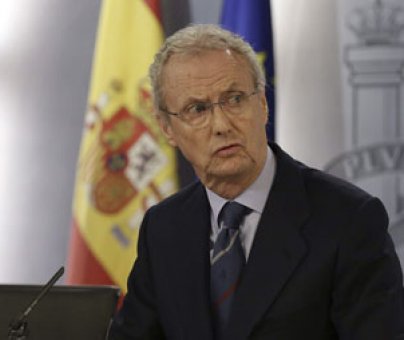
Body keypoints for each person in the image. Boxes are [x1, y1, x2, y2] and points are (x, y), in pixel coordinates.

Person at [108, 24, 404, 340]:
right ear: (167, 128)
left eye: (234, 99)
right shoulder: (164, 227)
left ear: (262, 104)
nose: (221, 125)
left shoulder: (348, 220)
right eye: (197, 109)